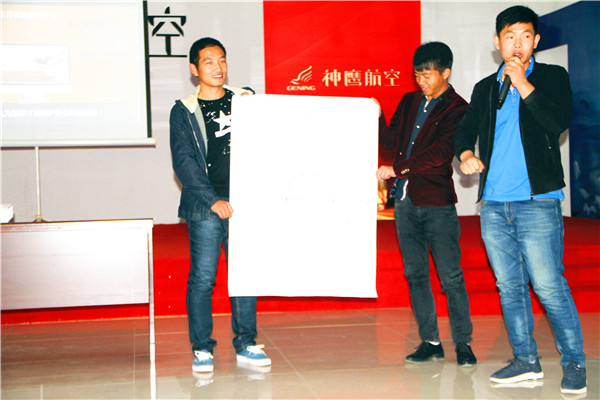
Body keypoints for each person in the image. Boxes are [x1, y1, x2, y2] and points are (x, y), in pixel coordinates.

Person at [454, 5, 586, 395]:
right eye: (510, 36)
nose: (518, 43)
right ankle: (526, 360)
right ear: (497, 42)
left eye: (526, 36)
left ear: (536, 41)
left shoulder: (551, 77)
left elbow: (557, 121)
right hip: (494, 205)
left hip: (538, 201)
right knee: (509, 287)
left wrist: (522, 84)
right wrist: (466, 155)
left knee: (549, 286)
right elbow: (464, 132)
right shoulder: (485, 88)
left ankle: (574, 362)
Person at [169, 37, 271, 373]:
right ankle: (202, 348)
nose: (218, 67)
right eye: (209, 61)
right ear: (194, 69)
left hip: (243, 202)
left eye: (222, 60)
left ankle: (246, 342)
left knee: (244, 273)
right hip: (205, 206)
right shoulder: (183, 110)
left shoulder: (243, 100)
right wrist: (213, 201)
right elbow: (184, 162)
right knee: (203, 277)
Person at [376, 42, 477, 367]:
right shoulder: (409, 101)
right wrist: (376, 117)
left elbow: (439, 155)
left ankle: (463, 343)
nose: (421, 80)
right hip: (405, 203)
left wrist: (398, 169)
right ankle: (430, 341)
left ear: (445, 72)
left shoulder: (458, 108)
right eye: (417, 74)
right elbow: (390, 144)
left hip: (437, 203)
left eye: (427, 74)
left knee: (451, 276)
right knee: (416, 274)